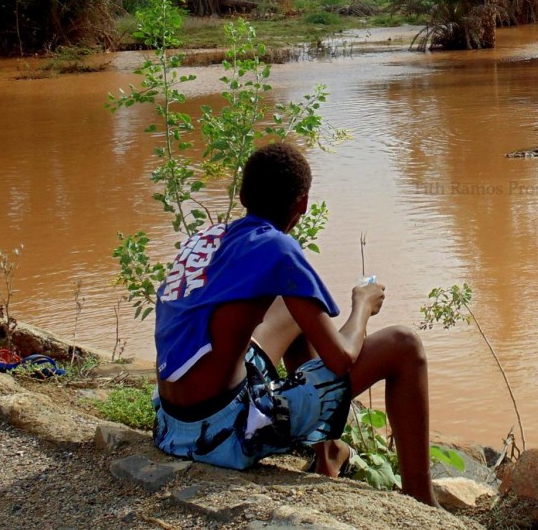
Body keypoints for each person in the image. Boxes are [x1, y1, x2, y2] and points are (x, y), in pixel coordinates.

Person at [152, 141, 437, 506]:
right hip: (218, 436)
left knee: (295, 312)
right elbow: (341, 358)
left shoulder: (207, 238)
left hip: (171, 423)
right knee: (405, 344)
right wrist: (362, 306)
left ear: (242, 195)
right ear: (302, 204)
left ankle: (328, 453)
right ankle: (421, 498)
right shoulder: (279, 247)